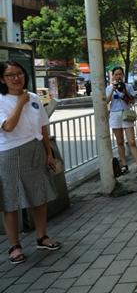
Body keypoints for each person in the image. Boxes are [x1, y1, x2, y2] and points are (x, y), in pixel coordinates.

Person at [0, 61, 61, 264]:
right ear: (2, 79)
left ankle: (41, 236)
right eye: (10, 75)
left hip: (35, 150)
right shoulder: (1, 100)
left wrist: (48, 153)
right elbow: (8, 126)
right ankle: (14, 246)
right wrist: (20, 102)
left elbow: (43, 127)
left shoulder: (34, 98)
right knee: (11, 201)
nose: (16, 78)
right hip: (10, 153)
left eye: (19, 73)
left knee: (39, 196)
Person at [106, 66, 137, 177]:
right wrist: (113, 90)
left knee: (132, 141)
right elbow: (106, 102)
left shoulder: (128, 87)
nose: (118, 76)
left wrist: (124, 91)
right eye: (116, 74)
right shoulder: (109, 88)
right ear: (113, 76)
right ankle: (124, 165)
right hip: (115, 115)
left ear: (123, 75)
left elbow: (132, 101)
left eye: (120, 74)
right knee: (119, 142)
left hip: (126, 114)